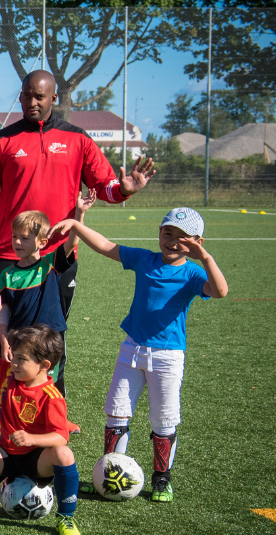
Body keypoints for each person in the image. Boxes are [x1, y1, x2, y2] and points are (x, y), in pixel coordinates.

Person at [0, 69, 155, 392]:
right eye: (27, 95)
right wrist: (3, 237)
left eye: (39, 96)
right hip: (9, 255)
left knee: (52, 334)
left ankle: (53, 402)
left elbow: (106, 187)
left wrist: (126, 189)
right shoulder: (3, 140)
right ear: (20, 95)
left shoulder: (77, 139)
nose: (31, 101)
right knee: (4, 332)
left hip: (58, 255)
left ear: (54, 98)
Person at [51, 207, 228, 503]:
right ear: (159, 232)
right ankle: (108, 474)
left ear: (197, 241)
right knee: (116, 412)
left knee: (163, 419)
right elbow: (107, 246)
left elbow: (220, 291)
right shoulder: (145, 259)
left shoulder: (193, 272)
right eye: (168, 233)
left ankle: (162, 478)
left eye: (183, 238)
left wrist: (205, 258)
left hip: (168, 356)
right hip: (131, 349)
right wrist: (76, 225)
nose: (172, 241)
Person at [0, 298, 80, 535]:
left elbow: (60, 437)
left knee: (64, 455)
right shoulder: (8, 374)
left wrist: (32, 440)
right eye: (14, 356)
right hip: (4, 453)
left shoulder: (51, 396)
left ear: (44, 365)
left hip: (36, 460)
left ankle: (66, 517)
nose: (13, 362)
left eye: (21, 359)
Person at [0, 199, 92, 417]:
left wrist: (78, 215)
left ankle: (55, 420)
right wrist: (4, 337)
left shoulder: (50, 264)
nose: (17, 242)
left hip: (50, 337)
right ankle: (9, 416)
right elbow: (3, 310)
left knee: (48, 382)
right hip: (20, 339)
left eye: (24, 238)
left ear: (42, 242)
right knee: (19, 379)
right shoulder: (7, 275)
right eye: (14, 236)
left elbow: (72, 242)